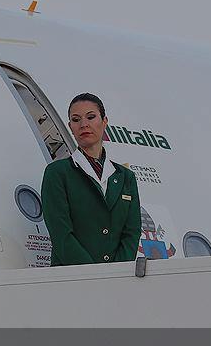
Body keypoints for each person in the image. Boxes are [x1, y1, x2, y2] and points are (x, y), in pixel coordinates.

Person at [41, 93, 141, 266]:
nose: (84, 124)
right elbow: (60, 234)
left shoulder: (126, 177)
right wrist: (93, 274)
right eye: (76, 119)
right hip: (73, 276)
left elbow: (131, 233)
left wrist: (116, 272)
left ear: (104, 121)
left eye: (91, 117)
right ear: (70, 127)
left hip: (117, 277)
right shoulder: (57, 173)